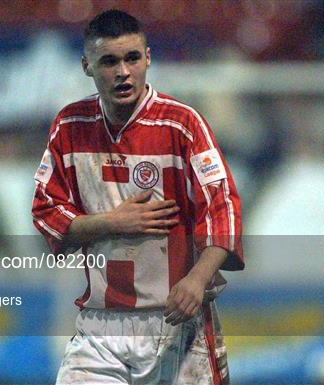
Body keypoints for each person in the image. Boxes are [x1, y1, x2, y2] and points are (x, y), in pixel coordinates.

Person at [32, 9, 243, 385]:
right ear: (87, 66)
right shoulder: (69, 127)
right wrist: (110, 223)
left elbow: (222, 205)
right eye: (109, 61)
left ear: (148, 58)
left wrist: (197, 279)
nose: (122, 71)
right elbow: (44, 212)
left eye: (131, 58)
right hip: (100, 328)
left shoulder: (182, 124)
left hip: (176, 322)